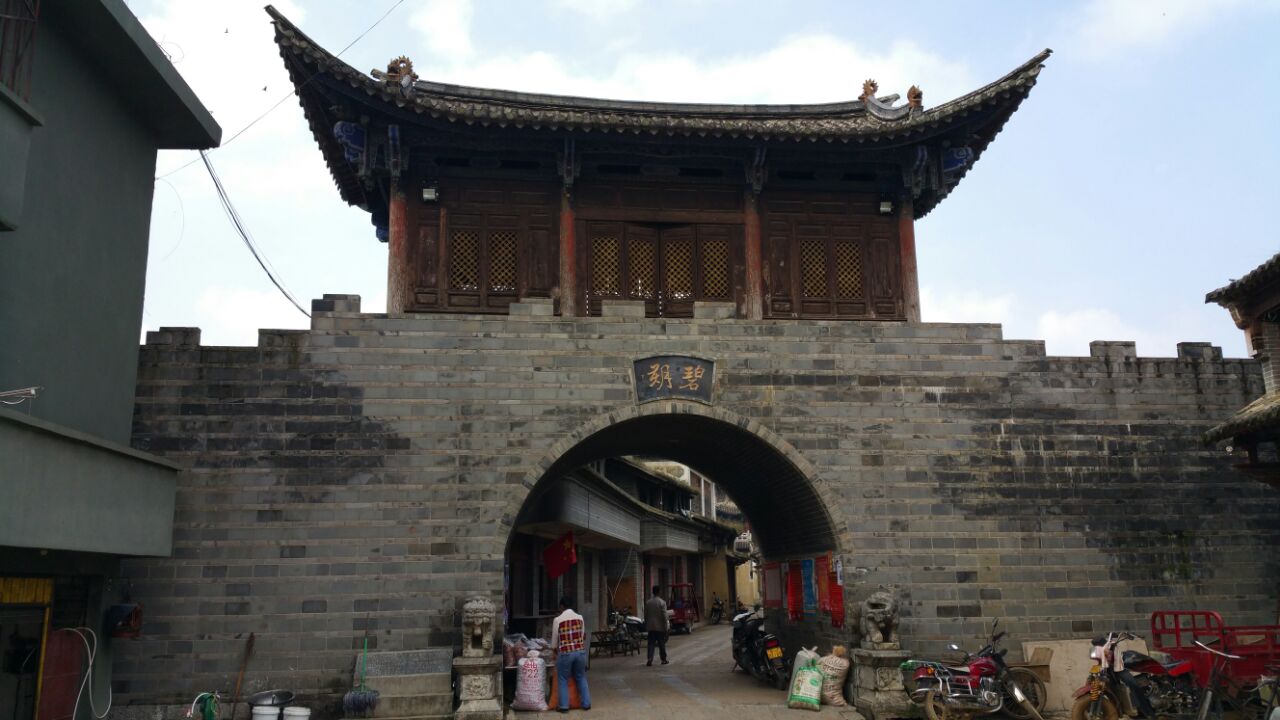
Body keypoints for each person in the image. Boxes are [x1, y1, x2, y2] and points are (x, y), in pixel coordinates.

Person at [551, 596, 591, 713]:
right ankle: (586, 704)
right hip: (580, 652)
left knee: (563, 678)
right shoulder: (580, 618)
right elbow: (582, 636)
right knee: (581, 676)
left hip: (566, 653)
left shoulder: (558, 620)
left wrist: (554, 651)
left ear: (561, 606)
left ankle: (564, 706)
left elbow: (554, 643)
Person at [644, 585, 669, 666]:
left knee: (651, 644)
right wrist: (666, 627)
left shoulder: (648, 602)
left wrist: (647, 625)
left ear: (653, 592)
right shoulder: (662, 602)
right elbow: (664, 616)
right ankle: (663, 659)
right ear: (659, 592)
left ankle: (650, 658)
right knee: (661, 644)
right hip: (660, 627)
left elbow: (646, 615)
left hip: (651, 627)